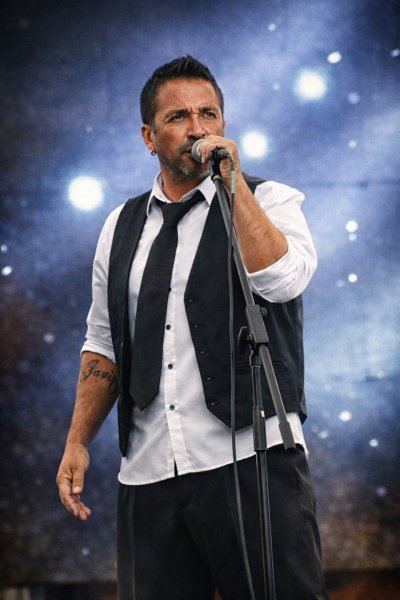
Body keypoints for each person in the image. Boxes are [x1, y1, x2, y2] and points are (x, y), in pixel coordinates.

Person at [56, 55, 328, 600]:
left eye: (209, 113)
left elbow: (281, 280)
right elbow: (104, 342)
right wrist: (77, 440)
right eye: (179, 116)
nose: (198, 128)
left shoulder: (269, 200)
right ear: (149, 137)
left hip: (252, 457)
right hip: (150, 469)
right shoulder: (120, 226)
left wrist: (233, 186)